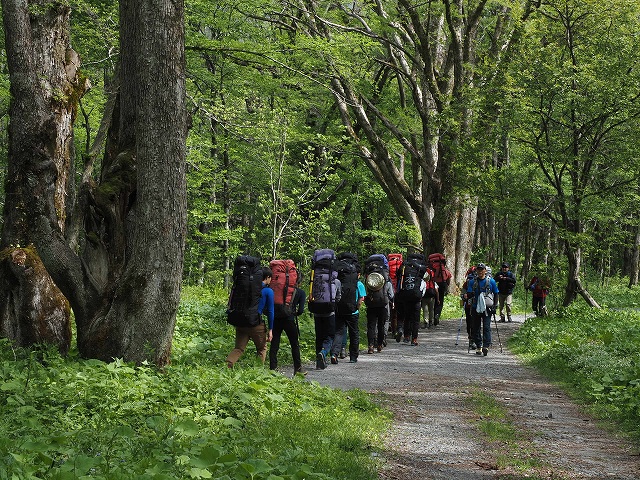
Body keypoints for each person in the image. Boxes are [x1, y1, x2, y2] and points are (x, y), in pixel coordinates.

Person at [226, 267, 274, 368]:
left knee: (238, 348)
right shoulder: (268, 291)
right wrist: (270, 329)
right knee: (262, 348)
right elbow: (270, 311)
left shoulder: (247, 287)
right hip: (256, 324)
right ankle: (257, 371)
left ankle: (227, 366)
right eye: (271, 278)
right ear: (268, 277)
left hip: (241, 321)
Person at [269, 278, 307, 376]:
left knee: (274, 344)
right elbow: (301, 310)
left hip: (276, 319)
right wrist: (295, 313)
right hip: (289, 320)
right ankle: (297, 368)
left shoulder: (279, 290)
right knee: (294, 344)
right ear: (299, 282)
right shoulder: (301, 292)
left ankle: (273, 368)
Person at [465, 263, 499, 356]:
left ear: (485, 271)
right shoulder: (472, 282)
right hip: (475, 307)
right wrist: (467, 296)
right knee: (476, 327)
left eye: (481, 269)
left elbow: (496, 293)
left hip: (487, 308)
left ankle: (486, 346)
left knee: (486, 327)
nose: (480, 271)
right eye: (478, 270)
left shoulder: (491, 281)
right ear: (476, 271)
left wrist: (495, 305)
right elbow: (469, 294)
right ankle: (479, 346)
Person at [332, 273, 366, 363]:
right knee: (354, 333)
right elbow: (360, 300)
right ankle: (353, 357)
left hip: (340, 311)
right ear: (358, 274)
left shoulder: (339, 282)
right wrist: (356, 309)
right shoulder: (359, 284)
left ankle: (334, 354)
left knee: (339, 332)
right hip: (353, 312)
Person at [460, 266, 476, 350]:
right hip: (477, 306)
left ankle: (471, 339)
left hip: (468, 306)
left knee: (469, 323)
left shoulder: (466, 283)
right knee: (476, 323)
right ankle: (475, 340)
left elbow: (462, 295)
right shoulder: (479, 281)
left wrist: (463, 299)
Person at [420, 264, 437, 329]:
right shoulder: (432, 281)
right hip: (431, 295)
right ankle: (430, 322)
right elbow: (436, 289)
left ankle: (426, 323)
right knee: (431, 309)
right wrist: (437, 298)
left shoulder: (423, 282)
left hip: (424, 296)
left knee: (425, 310)